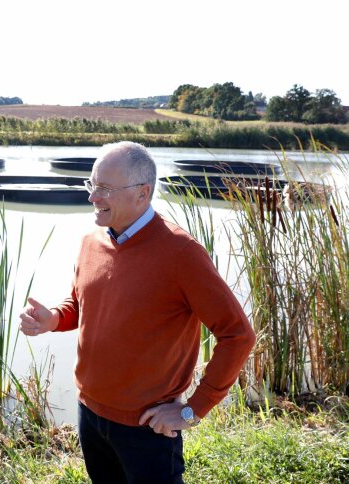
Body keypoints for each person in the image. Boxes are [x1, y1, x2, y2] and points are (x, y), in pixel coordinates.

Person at [20, 141, 256, 483]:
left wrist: (193, 409)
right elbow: (80, 303)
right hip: (90, 414)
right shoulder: (92, 241)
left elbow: (238, 335)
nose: (92, 197)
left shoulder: (182, 253)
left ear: (142, 193)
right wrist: (54, 319)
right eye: (91, 185)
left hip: (147, 428)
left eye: (104, 188)